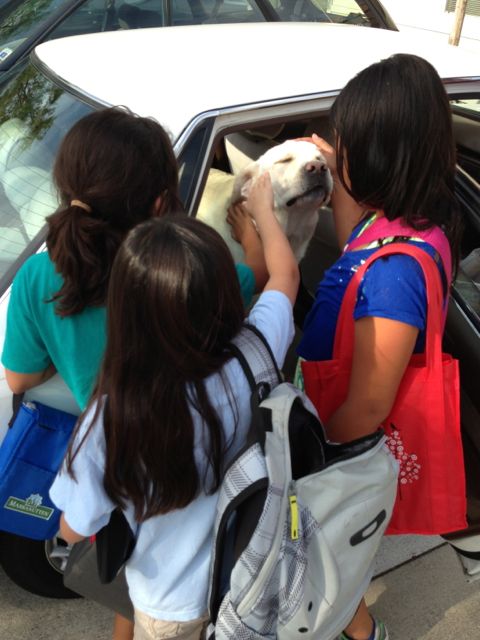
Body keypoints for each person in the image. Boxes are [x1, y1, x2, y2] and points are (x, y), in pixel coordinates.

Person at [0, 106, 267, 639]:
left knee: (133, 579)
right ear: (161, 203)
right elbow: (257, 283)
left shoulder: (37, 276)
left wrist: (62, 348)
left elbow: (19, 379)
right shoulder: (195, 276)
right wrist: (252, 232)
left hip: (113, 474)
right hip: (187, 472)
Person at [49, 173, 299, 640]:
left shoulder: (115, 418)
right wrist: (262, 215)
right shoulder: (256, 345)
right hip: (254, 570)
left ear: (127, 310)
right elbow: (285, 276)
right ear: (225, 288)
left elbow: (74, 528)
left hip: (173, 605)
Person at [296, 53, 461, 640]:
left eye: (350, 147)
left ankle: (365, 633)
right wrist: (340, 173)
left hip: (348, 441)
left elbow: (368, 405)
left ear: (382, 155)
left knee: (328, 547)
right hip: (341, 422)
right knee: (333, 555)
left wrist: (314, 462)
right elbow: (350, 251)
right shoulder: (405, 226)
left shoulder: (394, 277)